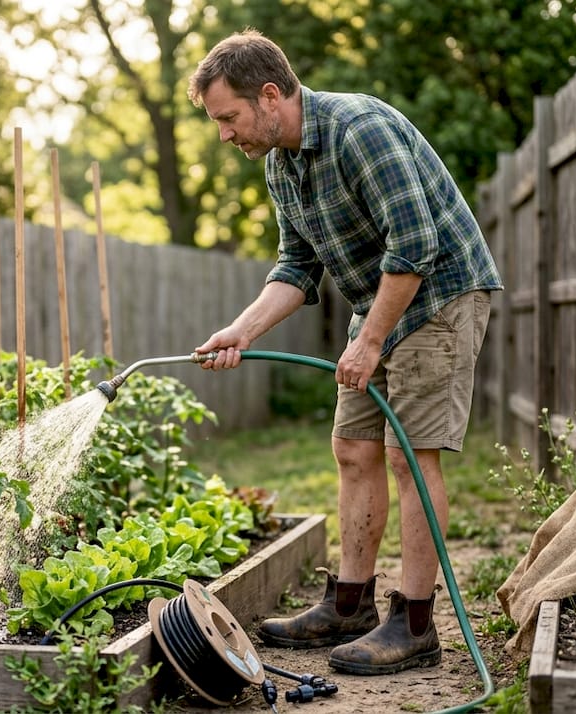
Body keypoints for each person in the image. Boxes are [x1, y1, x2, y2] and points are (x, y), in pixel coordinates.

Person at [188, 29, 502, 676]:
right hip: (382, 304)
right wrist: (241, 331)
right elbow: (296, 267)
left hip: (441, 293)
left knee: (409, 455)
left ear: (270, 95)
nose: (224, 134)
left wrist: (369, 338)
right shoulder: (281, 163)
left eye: (228, 117)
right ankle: (351, 604)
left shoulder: (360, 129)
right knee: (353, 448)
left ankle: (415, 624)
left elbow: (414, 242)